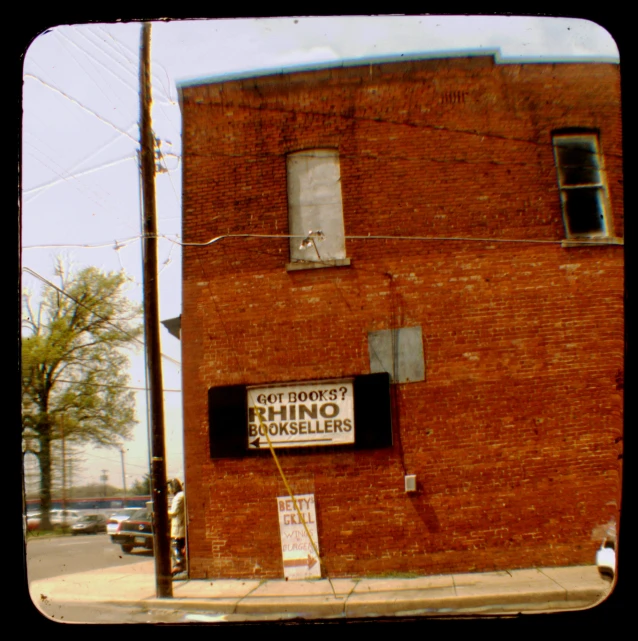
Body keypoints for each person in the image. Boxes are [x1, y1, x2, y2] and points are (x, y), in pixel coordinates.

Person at [167, 478, 185, 575]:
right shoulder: (181, 495)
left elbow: (174, 512)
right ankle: (178, 565)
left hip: (178, 526)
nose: (169, 490)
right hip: (180, 525)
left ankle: (178, 565)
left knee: (175, 545)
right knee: (179, 546)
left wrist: (162, 512)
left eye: (169, 487)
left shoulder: (178, 497)